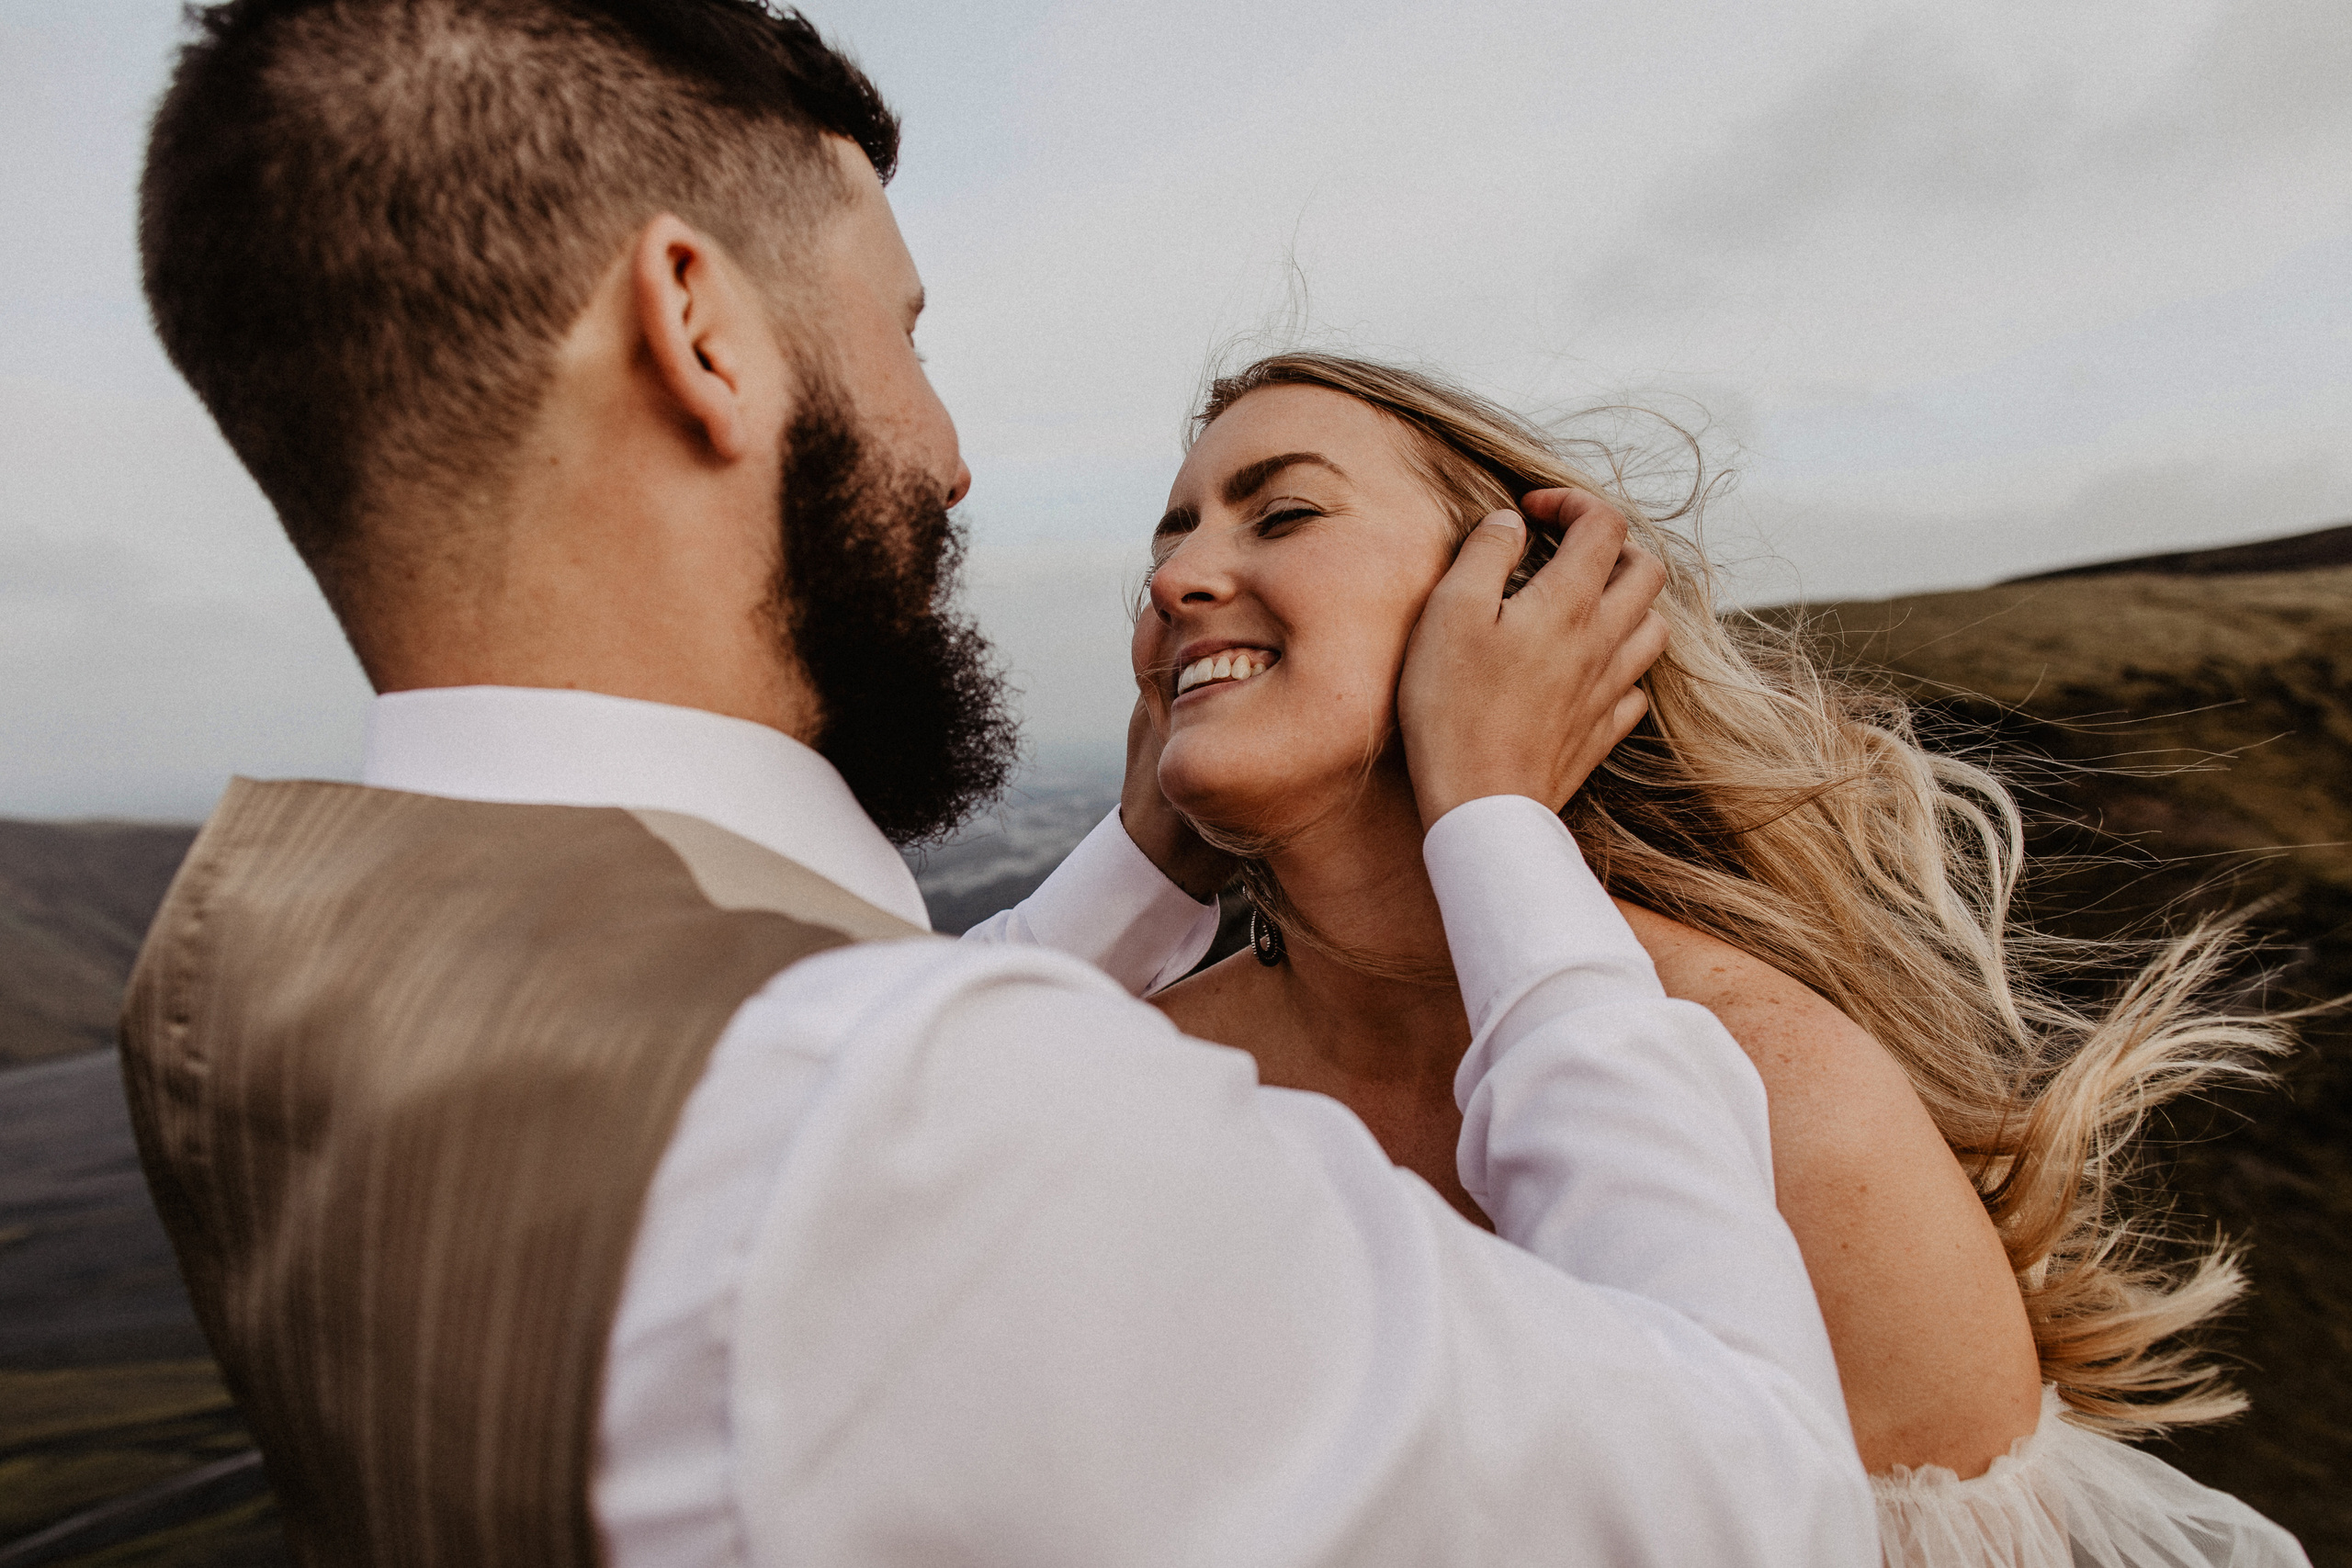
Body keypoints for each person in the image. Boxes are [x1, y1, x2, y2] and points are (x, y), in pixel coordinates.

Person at [120, 2, 1878, 1562]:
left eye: (1276, 512)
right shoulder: (927, 1127)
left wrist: (1139, 866)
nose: (952, 460)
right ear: (699, 331)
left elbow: (747, 1072)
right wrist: (1495, 825)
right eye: (905, 330)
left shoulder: (248, 970)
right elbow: (1760, 1500)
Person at [1132, 352, 2312, 1567]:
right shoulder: (1122, 1072)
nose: (1175, 579)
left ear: (1519, 604)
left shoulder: (1791, 1107)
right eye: (1168, 540)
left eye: (1284, 513)